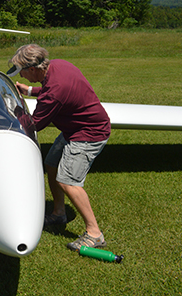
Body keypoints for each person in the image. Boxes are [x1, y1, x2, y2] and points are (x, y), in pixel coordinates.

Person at [7, 44, 111, 251]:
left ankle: (94, 233)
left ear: (33, 69)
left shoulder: (54, 92)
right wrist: (29, 91)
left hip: (89, 134)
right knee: (51, 164)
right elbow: (55, 90)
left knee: (68, 181)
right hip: (74, 129)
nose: (24, 77)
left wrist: (11, 114)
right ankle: (58, 213)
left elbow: (35, 125)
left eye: (24, 73)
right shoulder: (59, 65)